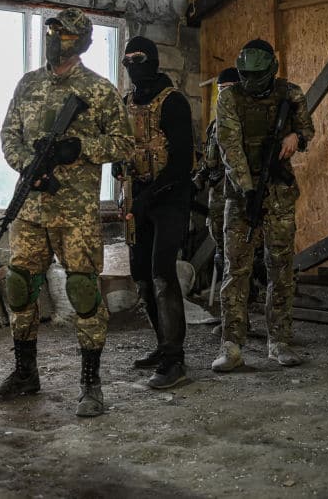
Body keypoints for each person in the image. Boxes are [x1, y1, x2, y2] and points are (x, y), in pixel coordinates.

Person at [0, 7, 133, 417]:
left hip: (76, 213)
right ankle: (25, 373)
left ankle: (90, 384)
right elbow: (9, 134)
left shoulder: (99, 90)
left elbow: (125, 143)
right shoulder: (28, 84)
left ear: (81, 41)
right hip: (31, 208)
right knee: (20, 289)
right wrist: (25, 167)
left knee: (84, 292)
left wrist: (82, 148)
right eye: (51, 32)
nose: (55, 40)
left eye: (63, 35)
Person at [212, 39, 314, 372]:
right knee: (236, 269)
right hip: (242, 195)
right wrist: (247, 189)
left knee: (280, 268)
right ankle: (232, 345)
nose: (251, 82)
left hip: (279, 191)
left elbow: (307, 128)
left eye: (257, 75)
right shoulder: (229, 97)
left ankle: (279, 341)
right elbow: (229, 146)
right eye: (245, 75)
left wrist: (295, 137)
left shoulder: (290, 93)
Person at [118, 36, 194, 389]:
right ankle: (162, 346)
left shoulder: (173, 101)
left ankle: (174, 358)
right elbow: (120, 147)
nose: (134, 65)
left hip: (169, 199)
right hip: (137, 199)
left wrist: (152, 194)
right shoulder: (127, 102)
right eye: (128, 59)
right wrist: (120, 171)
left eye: (140, 58)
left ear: (153, 60)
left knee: (163, 272)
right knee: (142, 276)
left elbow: (181, 161)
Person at [192, 67, 240, 299]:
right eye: (220, 90)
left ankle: (245, 308)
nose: (223, 95)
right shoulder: (214, 126)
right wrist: (198, 179)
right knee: (222, 255)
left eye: (229, 89)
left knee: (240, 257)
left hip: (237, 199)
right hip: (216, 201)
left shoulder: (246, 124)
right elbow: (209, 161)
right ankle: (229, 313)